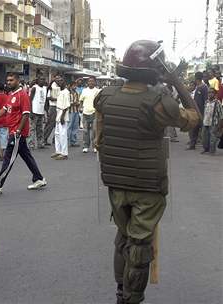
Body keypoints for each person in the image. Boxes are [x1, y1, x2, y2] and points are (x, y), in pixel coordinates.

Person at [94, 40, 200, 304]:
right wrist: (176, 82)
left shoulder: (105, 96)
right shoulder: (159, 103)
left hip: (115, 183)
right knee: (139, 246)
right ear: (155, 70)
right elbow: (193, 118)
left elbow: (99, 139)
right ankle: (131, 299)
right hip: (147, 187)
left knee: (122, 237)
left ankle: (120, 292)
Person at [0, 72, 47, 193]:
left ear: (18, 81)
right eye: (7, 80)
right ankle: (39, 179)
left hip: (17, 133)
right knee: (27, 157)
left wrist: (18, 130)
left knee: (8, 158)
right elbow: (3, 110)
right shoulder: (11, 95)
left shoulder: (22, 95)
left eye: (11, 80)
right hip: (13, 131)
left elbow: (26, 114)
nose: (8, 82)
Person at [51, 77, 71, 160]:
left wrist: (62, 116)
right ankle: (58, 151)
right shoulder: (60, 91)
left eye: (61, 80)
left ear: (65, 82)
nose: (59, 82)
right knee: (57, 133)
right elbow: (51, 88)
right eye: (58, 81)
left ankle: (64, 153)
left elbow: (66, 106)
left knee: (63, 134)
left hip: (63, 114)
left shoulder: (66, 92)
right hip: (58, 113)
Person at [187, 72, 208, 150]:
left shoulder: (204, 87)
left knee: (204, 130)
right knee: (194, 129)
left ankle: (206, 147)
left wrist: (204, 113)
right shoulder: (197, 87)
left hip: (202, 112)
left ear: (196, 78)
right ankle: (192, 145)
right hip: (196, 112)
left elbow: (206, 101)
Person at [79, 76, 100, 153]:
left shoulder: (98, 91)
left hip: (94, 113)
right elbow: (81, 100)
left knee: (94, 131)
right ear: (87, 82)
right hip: (85, 113)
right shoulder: (84, 90)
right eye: (89, 81)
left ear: (95, 82)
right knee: (85, 131)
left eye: (92, 81)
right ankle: (85, 146)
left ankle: (94, 146)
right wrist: (80, 108)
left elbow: (99, 102)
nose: (91, 82)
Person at [202, 88, 223, 154]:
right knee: (204, 137)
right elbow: (205, 112)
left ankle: (212, 151)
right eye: (209, 92)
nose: (210, 94)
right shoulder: (206, 102)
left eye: (212, 92)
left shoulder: (217, 103)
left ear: (215, 94)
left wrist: (219, 126)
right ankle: (206, 149)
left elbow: (221, 115)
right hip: (205, 122)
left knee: (212, 138)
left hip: (213, 123)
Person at [29, 77, 47, 150]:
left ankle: (40, 143)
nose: (42, 81)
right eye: (41, 79)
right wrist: (31, 111)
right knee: (32, 129)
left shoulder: (45, 88)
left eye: (43, 79)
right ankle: (31, 144)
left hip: (41, 111)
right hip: (34, 111)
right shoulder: (34, 88)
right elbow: (30, 100)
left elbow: (45, 100)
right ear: (37, 81)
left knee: (40, 129)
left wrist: (46, 111)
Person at [43, 75, 61, 145]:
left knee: (58, 124)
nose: (59, 80)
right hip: (53, 106)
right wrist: (57, 99)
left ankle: (55, 139)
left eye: (59, 79)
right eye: (57, 79)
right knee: (50, 124)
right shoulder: (52, 86)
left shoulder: (60, 86)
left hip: (59, 106)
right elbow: (48, 97)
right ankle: (44, 138)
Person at [67, 81, 81, 147]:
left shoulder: (77, 93)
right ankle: (67, 141)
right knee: (69, 126)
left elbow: (79, 102)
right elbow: (66, 103)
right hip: (70, 111)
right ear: (70, 86)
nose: (75, 87)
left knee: (75, 127)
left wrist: (77, 104)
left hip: (76, 111)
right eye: (74, 85)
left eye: (76, 86)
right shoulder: (67, 93)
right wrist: (73, 103)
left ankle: (73, 141)